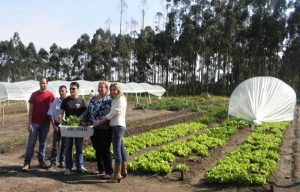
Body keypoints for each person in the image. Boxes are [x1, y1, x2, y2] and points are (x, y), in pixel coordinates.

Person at [95, 82, 127, 183]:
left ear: (119, 90)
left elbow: (114, 112)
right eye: (112, 89)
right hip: (119, 125)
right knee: (121, 148)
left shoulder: (119, 99)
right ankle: (123, 170)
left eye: (115, 89)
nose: (113, 91)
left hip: (117, 126)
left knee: (117, 150)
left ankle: (116, 175)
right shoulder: (117, 99)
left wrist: (101, 121)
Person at [81, 81, 113, 179]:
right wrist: (80, 119)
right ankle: (101, 169)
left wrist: (98, 122)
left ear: (106, 89)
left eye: (102, 87)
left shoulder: (109, 100)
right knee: (97, 148)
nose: (100, 89)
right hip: (93, 128)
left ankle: (109, 172)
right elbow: (88, 112)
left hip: (105, 128)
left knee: (105, 149)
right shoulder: (93, 99)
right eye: (99, 87)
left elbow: (107, 115)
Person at [22, 77, 55, 172]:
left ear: (47, 84)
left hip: (45, 123)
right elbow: (31, 110)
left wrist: (54, 122)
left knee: (43, 143)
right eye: (41, 83)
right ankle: (27, 163)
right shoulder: (34, 95)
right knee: (31, 143)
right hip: (35, 123)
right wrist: (29, 123)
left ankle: (41, 161)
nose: (43, 85)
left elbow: (54, 108)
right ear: (39, 84)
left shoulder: (50, 95)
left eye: (44, 83)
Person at [60, 82, 87, 175]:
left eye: (74, 89)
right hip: (68, 127)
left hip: (79, 127)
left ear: (78, 89)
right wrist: (61, 120)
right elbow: (61, 112)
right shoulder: (66, 100)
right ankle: (68, 167)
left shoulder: (82, 100)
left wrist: (85, 122)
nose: (72, 90)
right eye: (70, 89)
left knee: (79, 147)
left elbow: (86, 113)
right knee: (68, 147)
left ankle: (80, 166)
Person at [47, 85, 68, 170]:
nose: (61, 92)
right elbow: (50, 114)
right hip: (57, 125)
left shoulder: (69, 102)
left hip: (66, 126)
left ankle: (62, 162)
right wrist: (54, 126)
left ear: (66, 92)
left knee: (65, 144)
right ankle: (53, 163)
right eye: (60, 91)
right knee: (56, 145)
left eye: (63, 91)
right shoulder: (56, 101)